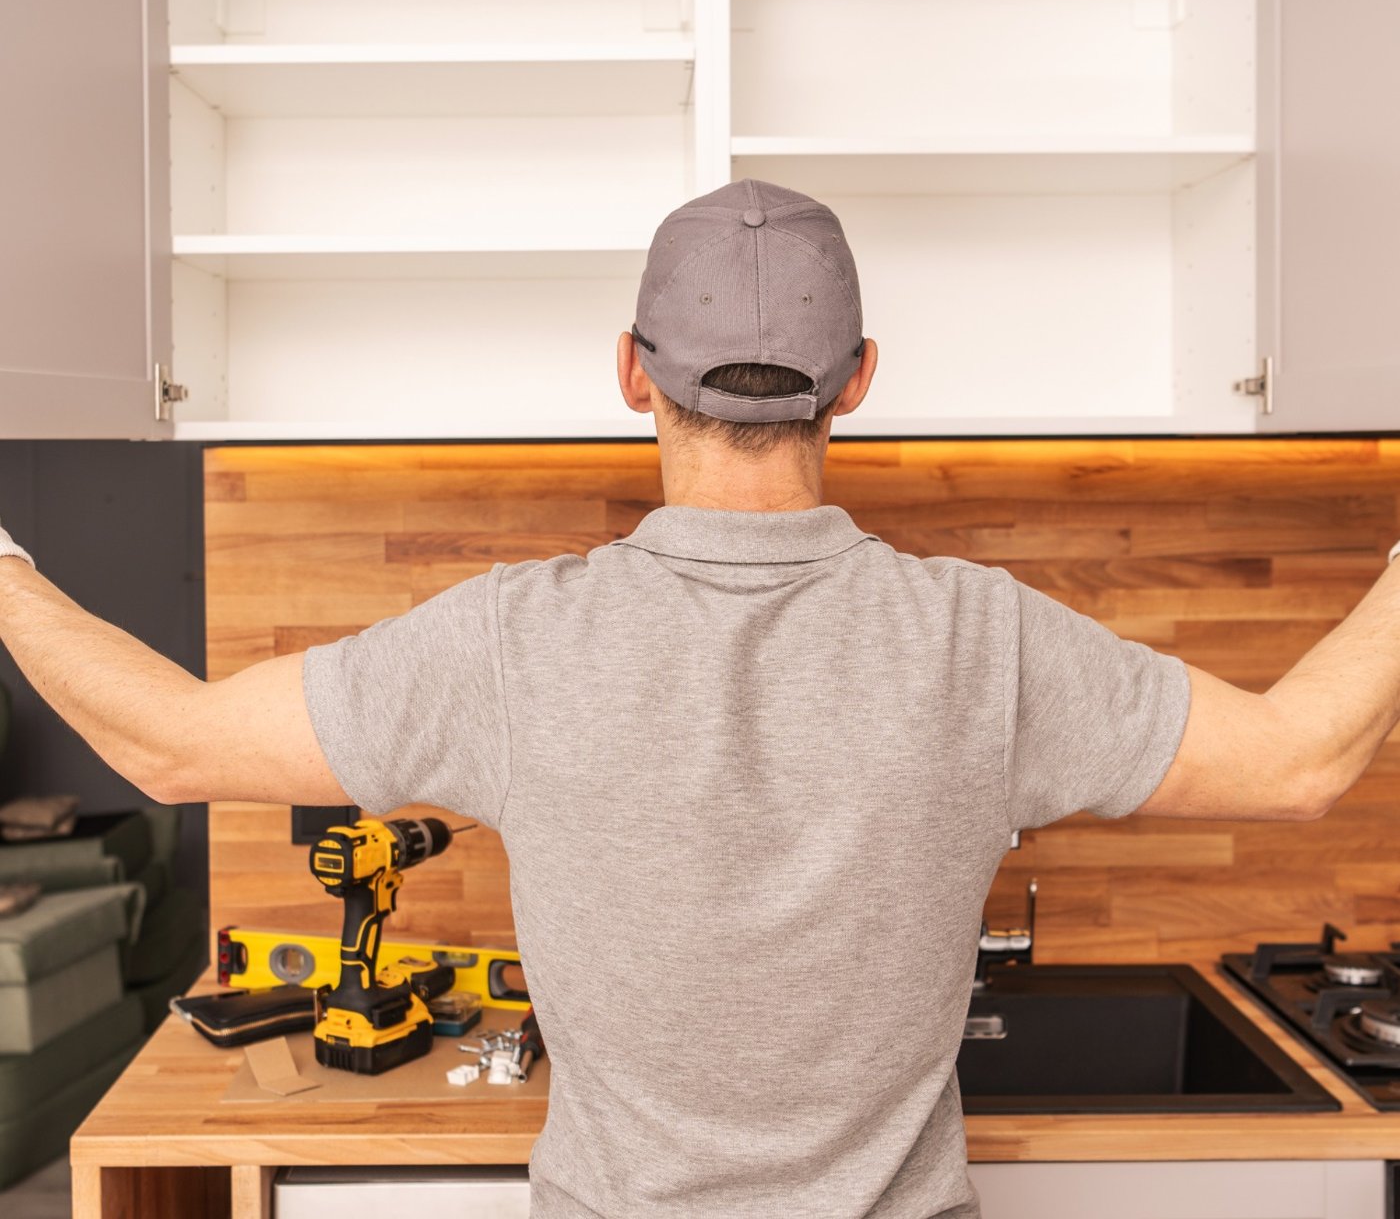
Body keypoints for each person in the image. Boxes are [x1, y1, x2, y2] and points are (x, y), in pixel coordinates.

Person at [1, 178, 1398, 1218]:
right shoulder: (986, 641)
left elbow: (169, 746)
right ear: (855, 383)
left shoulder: (509, 642)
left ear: (629, 374)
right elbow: (1296, 761)